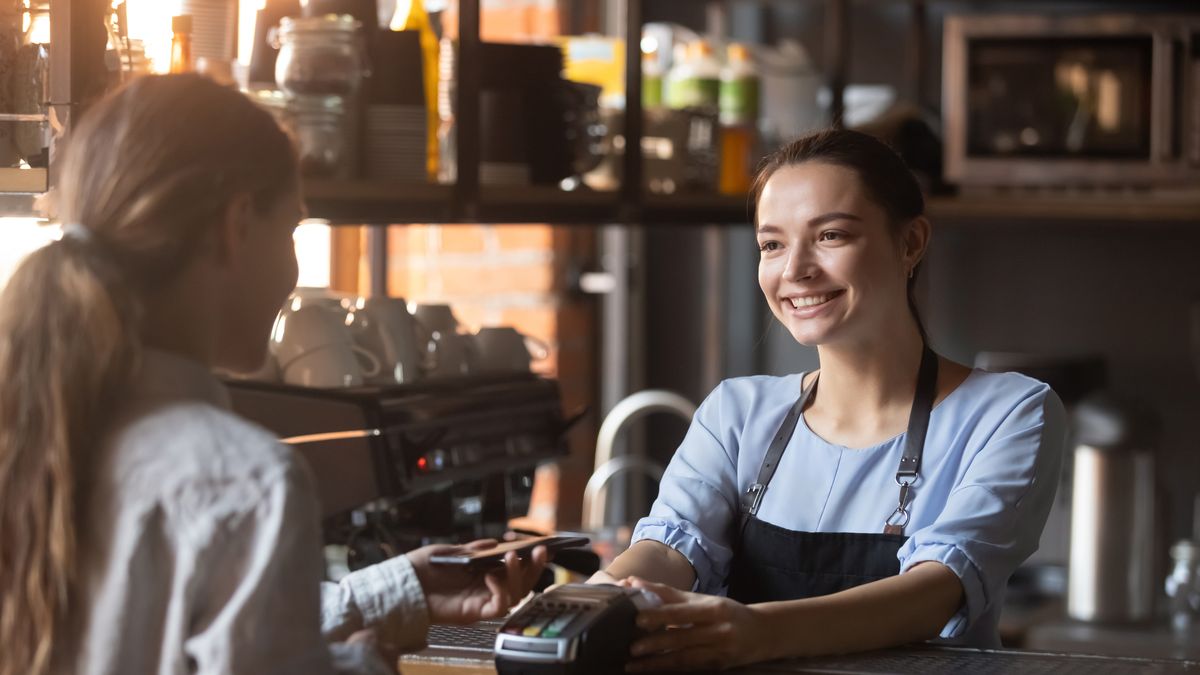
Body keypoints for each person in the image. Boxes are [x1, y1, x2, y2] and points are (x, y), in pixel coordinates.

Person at [0, 74, 546, 675]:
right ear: (237, 226)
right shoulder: (248, 481)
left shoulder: (30, 430)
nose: (292, 267)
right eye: (291, 228)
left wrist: (396, 592)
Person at [591, 129, 1067, 670]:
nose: (794, 270)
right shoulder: (736, 413)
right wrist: (593, 602)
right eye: (772, 244)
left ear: (910, 243)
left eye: (831, 236)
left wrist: (758, 631)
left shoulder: (1008, 412)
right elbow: (671, 548)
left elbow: (937, 591)